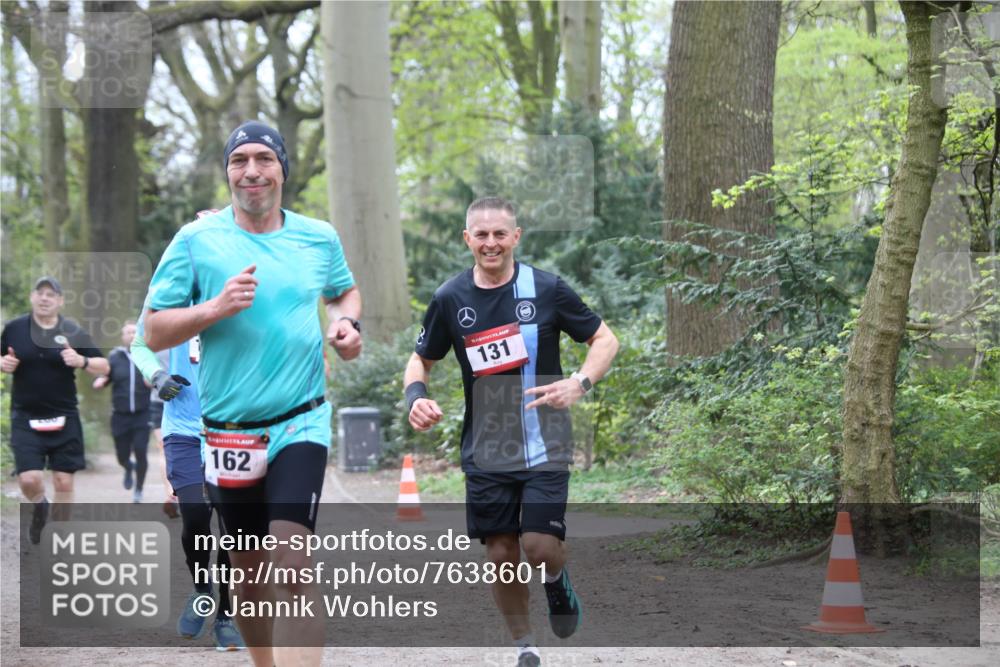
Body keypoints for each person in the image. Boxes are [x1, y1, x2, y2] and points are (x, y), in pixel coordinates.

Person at [142, 120, 361, 667]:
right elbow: (153, 331)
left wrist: (346, 325)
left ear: (282, 167)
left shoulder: (318, 236)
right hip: (228, 431)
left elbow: (343, 292)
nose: (252, 171)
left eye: (264, 158)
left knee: (291, 560)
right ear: (228, 173)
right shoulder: (196, 241)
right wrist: (214, 308)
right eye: (239, 161)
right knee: (250, 572)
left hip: (299, 420)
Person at [404, 197, 619, 667]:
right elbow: (420, 359)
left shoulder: (547, 289)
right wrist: (416, 397)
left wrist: (579, 382)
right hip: (487, 446)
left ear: (516, 237)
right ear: (467, 240)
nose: (491, 243)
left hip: (546, 439)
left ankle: (556, 580)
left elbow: (605, 339)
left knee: (539, 547)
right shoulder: (449, 298)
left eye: (500, 234)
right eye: (480, 234)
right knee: (501, 554)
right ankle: (526, 646)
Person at [131, 319, 245, 651]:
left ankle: (225, 615)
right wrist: (157, 375)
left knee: (233, 527)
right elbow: (140, 345)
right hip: (181, 429)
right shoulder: (171, 292)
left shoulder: (240, 293)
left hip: (234, 431)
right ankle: (202, 591)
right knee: (194, 513)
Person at [1, 277, 109, 543]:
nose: (45, 298)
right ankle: (40, 505)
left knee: (64, 481)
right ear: (31, 297)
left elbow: (103, 366)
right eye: (40, 293)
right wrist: (3, 363)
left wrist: (81, 360)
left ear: (60, 301)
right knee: (29, 480)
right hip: (25, 415)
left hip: (64, 415)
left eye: (51, 294)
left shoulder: (73, 331)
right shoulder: (14, 329)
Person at [92, 320, 151, 502]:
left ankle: (139, 490)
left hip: (143, 414)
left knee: (141, 450)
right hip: (120, 415)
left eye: (135, 332)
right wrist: (101, 381)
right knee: (121, 455)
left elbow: (156, 377)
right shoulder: (115, 356)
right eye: (128, 332)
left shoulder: (147, 356)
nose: (132, 335)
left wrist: (153, 382)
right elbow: (106, 376)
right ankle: (127, 467)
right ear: (123, 337)